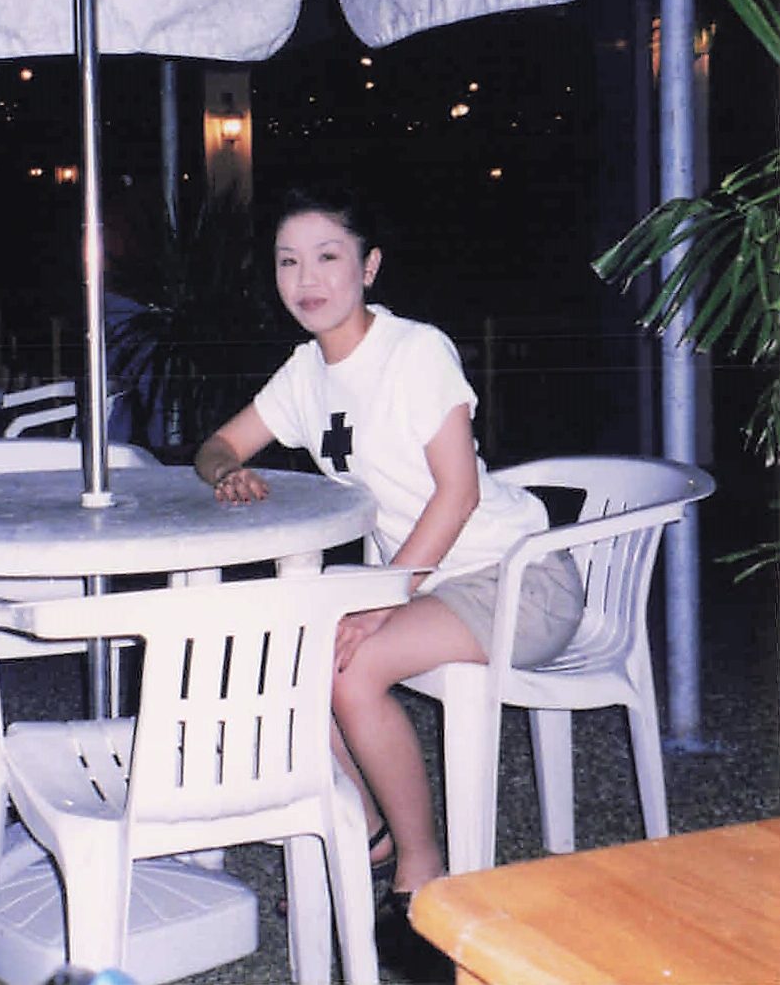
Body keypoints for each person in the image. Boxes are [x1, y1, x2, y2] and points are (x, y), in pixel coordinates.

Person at [194, 183, 584, 953]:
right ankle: (368, 832)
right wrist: (225, 473)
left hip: (515, 577)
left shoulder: (415, 351)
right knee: (290, 659)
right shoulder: (305, 373)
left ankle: (420, 869)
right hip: (423, 581)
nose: (306, 278)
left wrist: (384, 600)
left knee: (351, 669)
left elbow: (457, 492)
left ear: (368, 267)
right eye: (287, 261)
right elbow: (217, 444)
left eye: (327, 257)